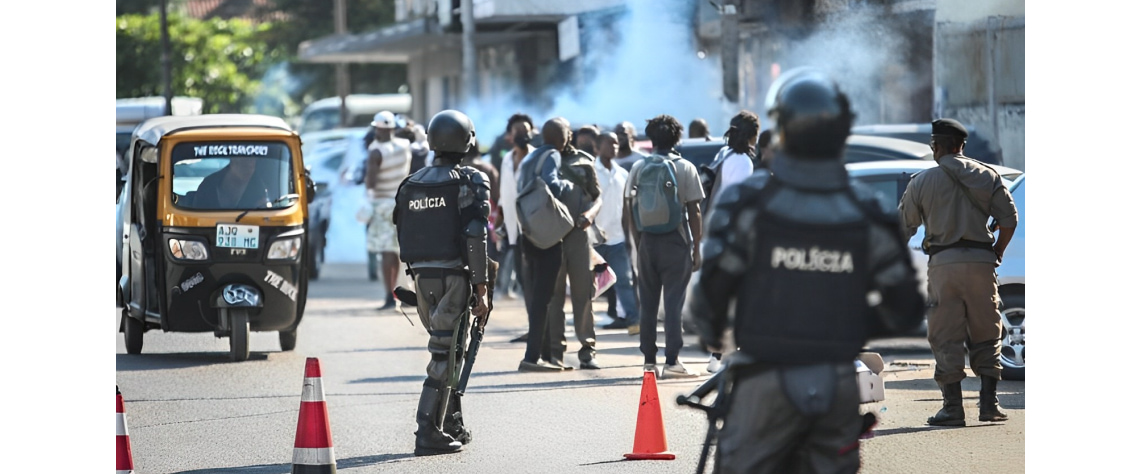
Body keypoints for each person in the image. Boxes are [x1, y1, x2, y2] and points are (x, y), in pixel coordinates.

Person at [689, 68, 926, 473]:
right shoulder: (865, 208)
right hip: (834, 385)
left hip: (761, 383)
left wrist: (721, 331)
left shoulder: (745, 202)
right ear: (840, 130)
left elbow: (709, 301)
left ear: (781, 130)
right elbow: (905, 310)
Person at [899, 118, 1018, 427]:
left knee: (945, 334)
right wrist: (997, 252)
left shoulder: (921, 182)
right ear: (961, 146)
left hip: (943, 266)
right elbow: (1009, 220)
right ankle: (989, 405)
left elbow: (903, 228)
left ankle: (953, 408)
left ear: (936, 147)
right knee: (987, 331)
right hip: (981, 264)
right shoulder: (987, 175)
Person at [393, 109, 492, 456]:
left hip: (420, 279)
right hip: (454, 277)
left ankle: (448, 423)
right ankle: (426, 431)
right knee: (444, 354)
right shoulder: (470, 180)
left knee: (450, 351)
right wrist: (482, 289)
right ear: (466, 141)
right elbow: (476, 234)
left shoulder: (411, 182)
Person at [624, 114, 705, 378]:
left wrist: (638, 243)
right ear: (677, 139)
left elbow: (629, 209)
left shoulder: (638, 168)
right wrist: (696, 247)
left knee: (647, 303)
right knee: (673, 303)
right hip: (676, 241)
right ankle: (673, 362)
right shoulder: (685, 168)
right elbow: (695, 211)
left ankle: (649, 361)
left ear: (651, 139)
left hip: (647, 242)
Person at [516, 117, 580, 372]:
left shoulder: (530, 157)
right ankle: (533, 357)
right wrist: (570, 185)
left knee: (536, 296)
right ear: (559, 136)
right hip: (548, 235)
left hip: (529, 232)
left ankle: (541, 354)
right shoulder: (552, 154)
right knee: (545, 297)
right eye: (567, 133)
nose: (569, 137)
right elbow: (552, 183)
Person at [699, 110, 760, 373]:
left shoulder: (723, 155)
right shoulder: (743, 162)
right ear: (752, 135)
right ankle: (725, 357)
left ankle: (718, 356)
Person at [541, 127, 603, 370]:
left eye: (562, 133)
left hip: (578, 234)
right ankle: (555, 350)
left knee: (583, 294)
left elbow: (598, 197)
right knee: (553, 297)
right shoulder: (541, 161)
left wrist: (590, 213)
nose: (559, 138)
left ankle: (587, 349)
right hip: (551, 236)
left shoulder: (584, 162)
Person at [592, 132, 640, 335]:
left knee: (624, 281)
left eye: (616, 143)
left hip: (617, 239)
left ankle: (634, 323)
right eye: (609, 143)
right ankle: (585, 326)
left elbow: (627, 207)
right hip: (592, 241)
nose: (614, 146)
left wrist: (629, 235)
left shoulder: (623, 174)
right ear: (597, 147)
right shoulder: (591, 171)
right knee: (588, 286)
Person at [366, 111, 413, 310]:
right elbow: (415, 134)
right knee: (401, 251)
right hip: (402, 202)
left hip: (382, 204)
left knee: (386, 251)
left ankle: (389, 296)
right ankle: (406, 294)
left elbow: (371, 181)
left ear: (378, 128)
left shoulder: (376, 151)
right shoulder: (404, 146)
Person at [496, 113, 534, 302]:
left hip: (535, 229)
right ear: (509, 135)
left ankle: (540, 328)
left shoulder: (537, 158)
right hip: (514, 229)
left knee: (535, 278)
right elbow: (504, 193)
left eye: (525, 131)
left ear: (532, 133)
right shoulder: (506, 160)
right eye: (517, 131)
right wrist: (499, 221)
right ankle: (534, 326)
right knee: (522, 278)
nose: (522, 134)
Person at [193, 157, 274, 209]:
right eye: (244, 162)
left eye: (252, 164)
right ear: (233, 160)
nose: (249, 163)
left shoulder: (262, 191)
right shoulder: (208, 186)